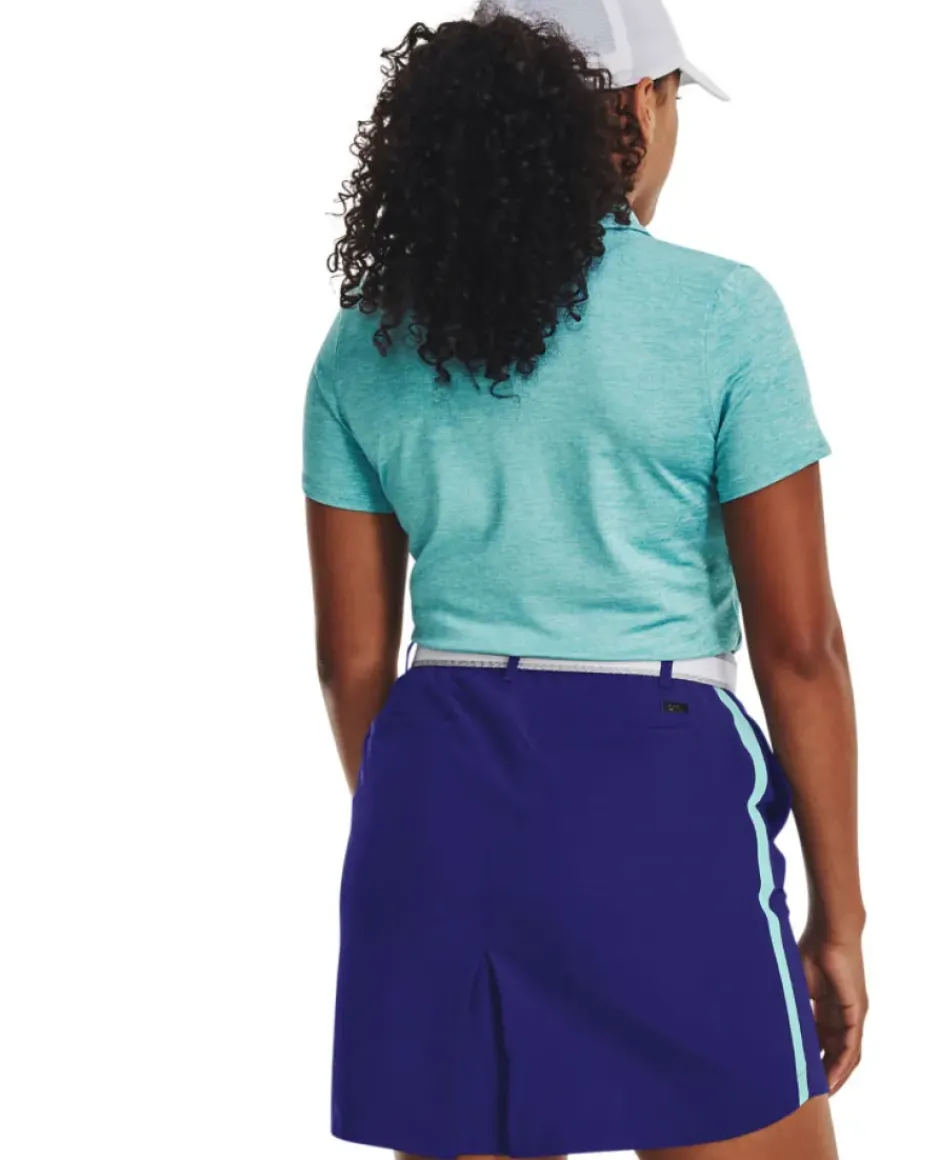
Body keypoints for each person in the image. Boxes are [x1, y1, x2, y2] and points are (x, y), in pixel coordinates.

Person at [301, 2, 867, 1158]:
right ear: (636, 108)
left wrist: (454, 825)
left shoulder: (365, 339)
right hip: (656, 800)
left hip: (434, 802)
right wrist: (839, 916)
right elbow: (798, 648)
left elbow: (351, 660)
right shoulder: (719, 313)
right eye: (672, 102)